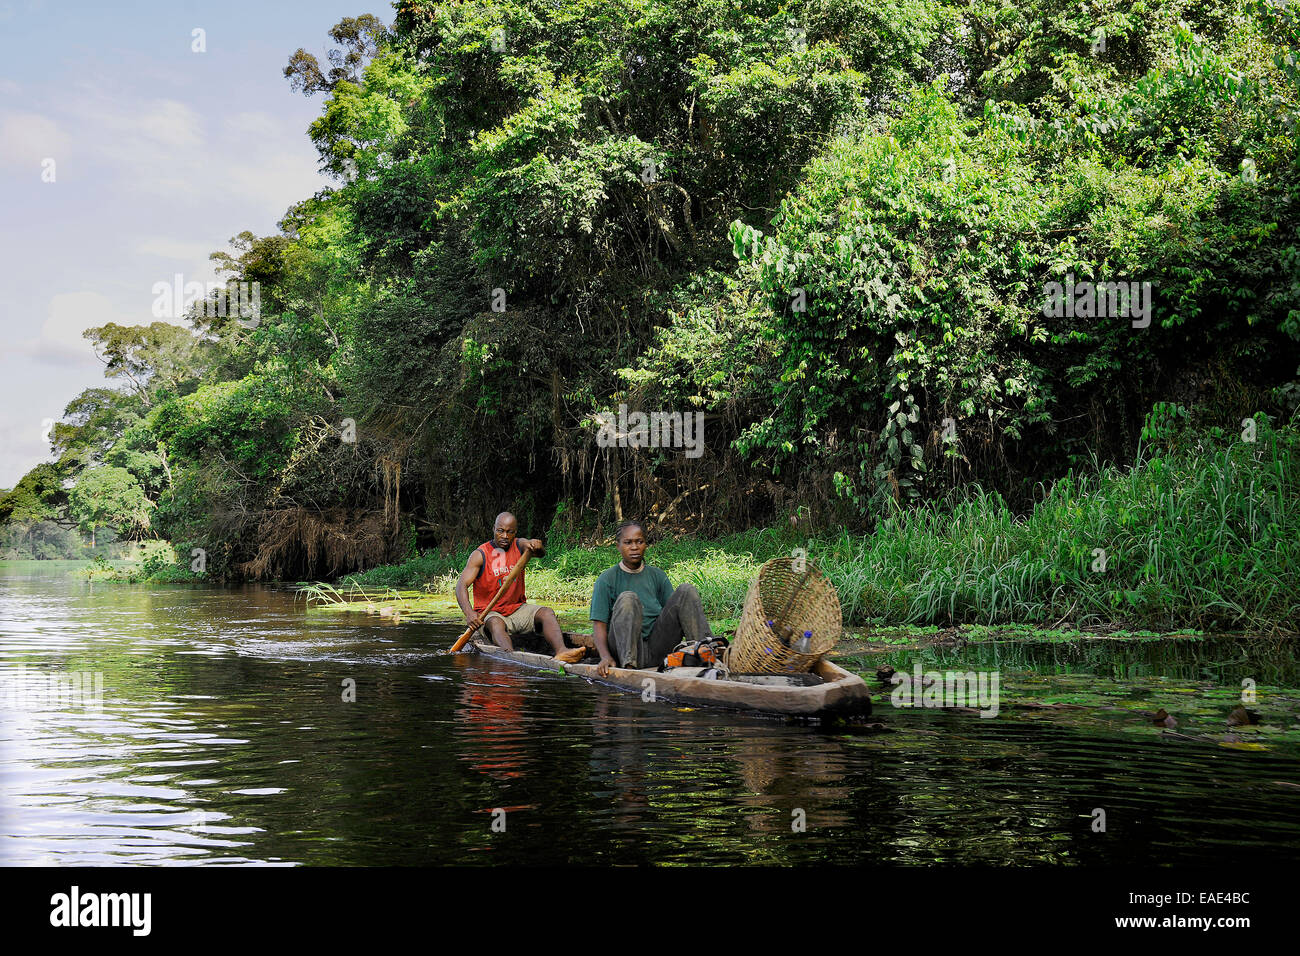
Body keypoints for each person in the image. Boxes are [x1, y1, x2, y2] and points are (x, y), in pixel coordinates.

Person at [455, 512, 585, 664]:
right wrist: (469, 613)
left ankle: (562, 651)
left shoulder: (519, 545)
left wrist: (537, 545)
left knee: (546, 613)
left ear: (515, 533)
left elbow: (538, 552)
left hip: (517, 609)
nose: (504, 535)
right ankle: (511, 657)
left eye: (509, 532)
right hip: (491, 613)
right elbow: (461, 585)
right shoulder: (480, 554)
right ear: (494, 529)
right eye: (500, 531)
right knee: (496, 624)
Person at [591, 520, 715, 676]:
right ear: (618, 546)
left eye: (639, 542)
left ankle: (706, 653)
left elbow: (673, 613)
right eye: (628, 543)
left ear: (645, 544)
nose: (634, 547)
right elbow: (598, 626)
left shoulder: (657, 575)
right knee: (628, 598)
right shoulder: (607, 579)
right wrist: (605, 657)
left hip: (658, 648)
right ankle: (630, 668)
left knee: (686, 590)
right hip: (626, 650)